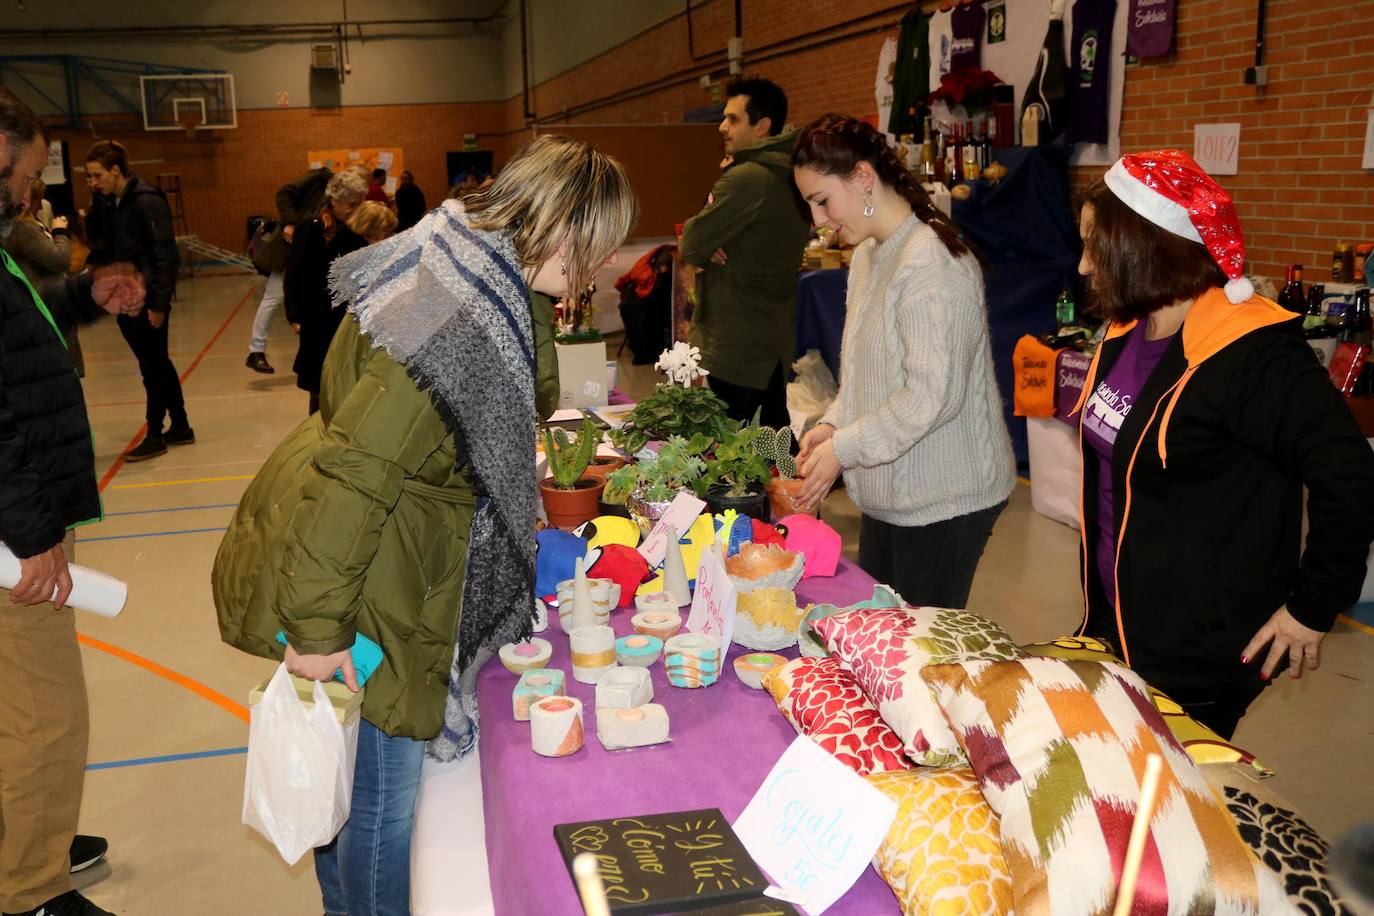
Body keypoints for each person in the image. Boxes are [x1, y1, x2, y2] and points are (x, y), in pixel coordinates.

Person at [212, 133, 635, 916]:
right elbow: (360, 474)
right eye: (598, 248)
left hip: (388, 550)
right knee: (378, 806)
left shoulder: (473, 267)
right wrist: (318, 629)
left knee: (353, 794)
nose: (602, 267)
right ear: (564, 229)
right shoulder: (459, 320)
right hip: (368, 570)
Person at [1072, 149, 1374, 738]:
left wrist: (1313, 607)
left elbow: (1352, 476)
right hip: (1119, 619)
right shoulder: (1128, 328)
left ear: (1144, 248)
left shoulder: (1251, 353)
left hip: (1194, 650)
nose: (1084, 267)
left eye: (1094, 247)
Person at [0, 87, 147, 916]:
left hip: (16, 515)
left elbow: (13, 341)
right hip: (11, 531)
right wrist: (31, 533)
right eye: (21, 174)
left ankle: (30, 839)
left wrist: (81, 299)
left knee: (17, 711)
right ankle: (29, 890)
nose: (29, 193)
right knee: (44, 717)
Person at [791, 114, 1014, 609]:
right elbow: (863, 378)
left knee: (919, 655)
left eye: (822, 200)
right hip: (889, 495)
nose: (819, 221)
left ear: (864, 178)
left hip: (943, 501)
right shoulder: (870, 254)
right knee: (880, 631)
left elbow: (932, 398)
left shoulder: (932, 261)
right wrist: (832, 426)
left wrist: (844, 449)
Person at [680, 76, 810, 428]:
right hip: (766, 339)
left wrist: (709, 240)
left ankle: (805, 479)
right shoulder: (785, 172)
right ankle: (800, 481)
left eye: (733, 119)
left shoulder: (750, 177)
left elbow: (691, 241)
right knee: (771, 439)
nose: (722, 127)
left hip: (737, 341)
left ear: (762, 126)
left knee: (741, 454)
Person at [84, 140, 192, 462]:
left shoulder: (146, 202)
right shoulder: (112, 204)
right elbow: (102, 244)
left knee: (152, 368)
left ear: (115, 171)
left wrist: (158, 305)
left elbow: (165, 257)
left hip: (147, 302)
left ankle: (155, 433)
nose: (92, 183)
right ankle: (182, 426)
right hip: (125, 300)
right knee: (159, 363)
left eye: (96, 176)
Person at [282, 170, 368, 415]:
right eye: (352, 204)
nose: (356, 209)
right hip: (317, 318)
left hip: (345, 316)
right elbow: (294, 273)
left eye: (359, 203)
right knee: (320, 385)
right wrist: (294, 315)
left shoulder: (356, 231)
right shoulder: (312, 228)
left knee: (348, 384)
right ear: (335, 200)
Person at [245, 166, 333, 374]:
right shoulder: (321, 177)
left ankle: (256, 350)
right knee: (272, 298)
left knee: (275, 299)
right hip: (290, 247)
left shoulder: (333, 199)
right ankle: (256, 350)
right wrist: (290, 223)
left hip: (307, 250)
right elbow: (284, 194)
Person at [0, 179, 83, 375]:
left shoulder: (30, 221)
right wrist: (60, 231)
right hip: (44, 304)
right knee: (58, 370)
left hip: (50, 302)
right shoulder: (21, 228)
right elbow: (59, 259)